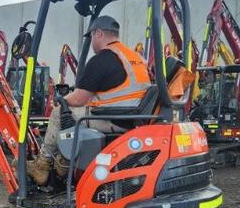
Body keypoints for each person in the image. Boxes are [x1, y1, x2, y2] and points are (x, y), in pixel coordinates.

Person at [27, 15, 151, 185]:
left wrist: (61, 100)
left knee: (57, 113)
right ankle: (63, 163)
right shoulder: (135, 57)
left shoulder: (101, 59)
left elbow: (79, 98)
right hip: (133, 118)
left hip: (113, 118)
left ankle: (42, 164)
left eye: (91, 36)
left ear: (98, 33)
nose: (92, 41)